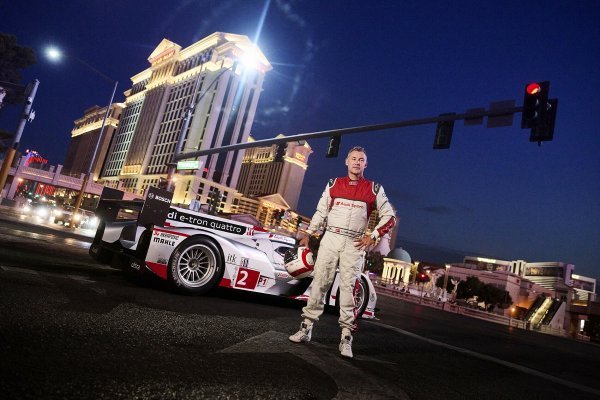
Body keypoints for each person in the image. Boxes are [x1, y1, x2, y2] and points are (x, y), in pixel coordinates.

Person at [289, 146, 396, 358]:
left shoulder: (374, 188)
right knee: (320, 283)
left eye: (361, 160)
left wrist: (372, 236)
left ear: (366, 164)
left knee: (348, 289)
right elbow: (321, 211)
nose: (357, 162)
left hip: (354, 243)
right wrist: (309, 233)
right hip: (331, 238)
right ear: (346, 162)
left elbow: (389, 217)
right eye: (353, 159)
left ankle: (346, 337)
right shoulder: (333, 184)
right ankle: (306, 328)